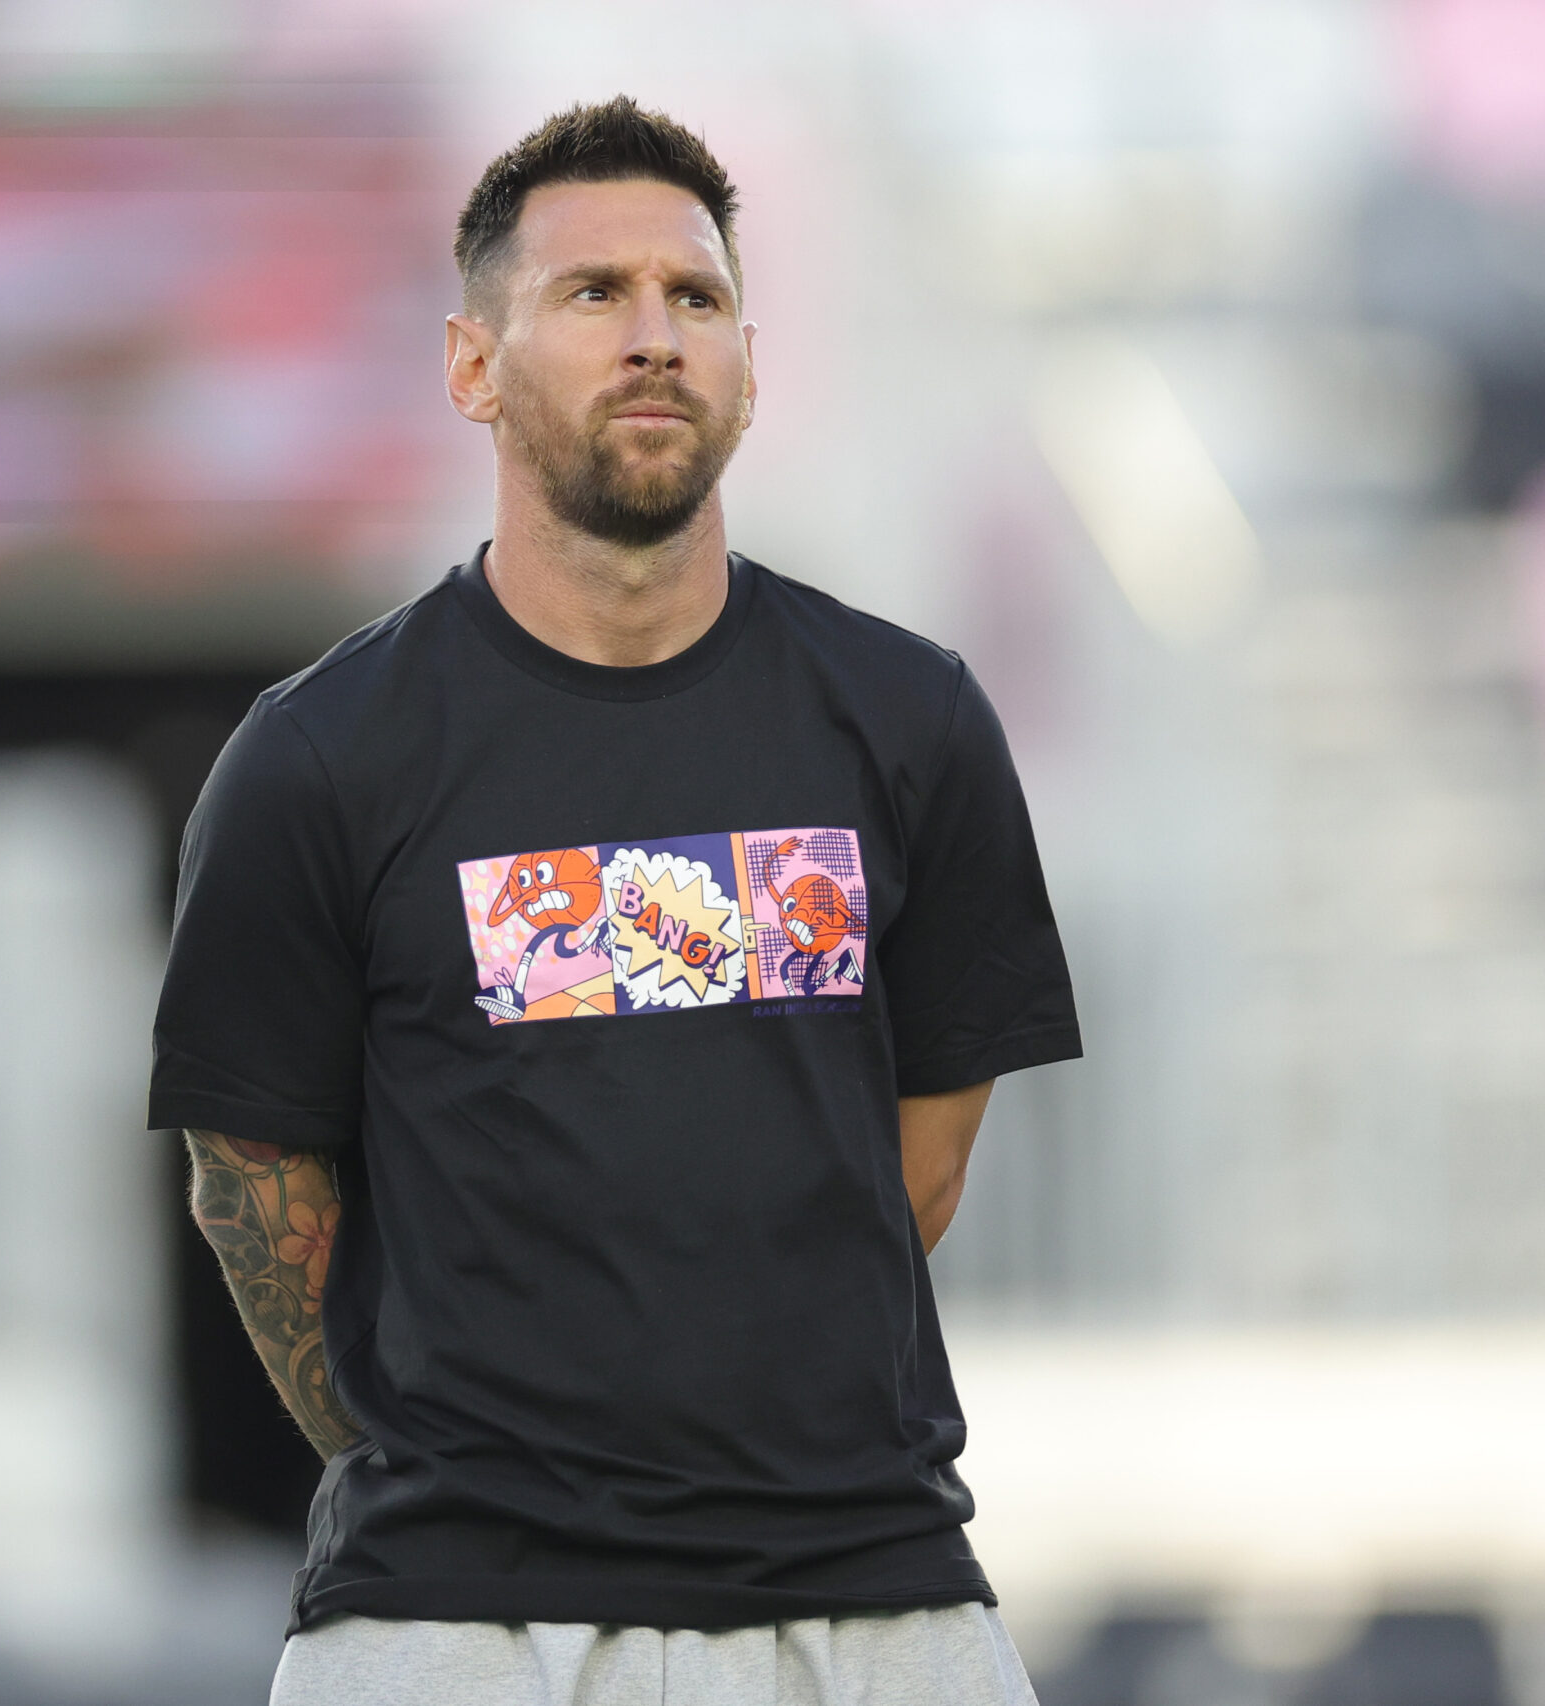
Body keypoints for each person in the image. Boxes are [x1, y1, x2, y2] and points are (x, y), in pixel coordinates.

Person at [151, 97, 1082, 1706]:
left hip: (869, 1609)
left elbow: (910, 1170)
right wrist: (474, 1463)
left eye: (695, 297)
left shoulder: (910, 721)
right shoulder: (318, 760)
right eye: (594, 296)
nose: (656, 336)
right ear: (470, 366)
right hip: (449, 1625)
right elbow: (252, 1195)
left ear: (746, 362)